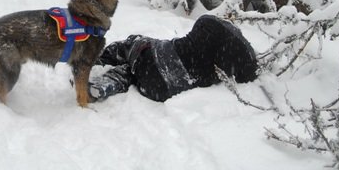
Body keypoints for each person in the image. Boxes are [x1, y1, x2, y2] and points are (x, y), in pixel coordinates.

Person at [89, 15, 258, 102]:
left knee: (130, 47)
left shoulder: (207, 23)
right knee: (135, 72)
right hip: (166, 89)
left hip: (156, 59)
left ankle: (96, 62)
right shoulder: (239, 59)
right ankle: (111, 80)